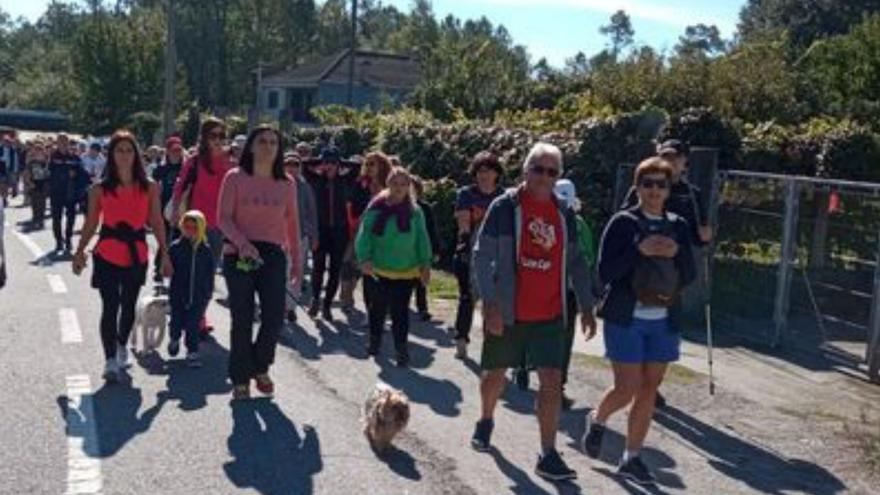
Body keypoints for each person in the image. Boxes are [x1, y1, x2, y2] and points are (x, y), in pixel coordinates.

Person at [469, 143, 596, 482]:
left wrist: (586, 304)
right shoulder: (505, 207)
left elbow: (577, 263)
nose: (544, 177)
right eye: (538, 169)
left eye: (552, 171)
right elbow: (482, 256)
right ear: (525, 171)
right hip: (510, 311)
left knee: (552, 381)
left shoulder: (564, 213)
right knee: (494, 374)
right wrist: (490, 303)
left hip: (550, 314)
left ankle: (548, 452)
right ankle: (485, 418)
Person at [582, 157, 696, 485]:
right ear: (638, 187)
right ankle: (598, 418)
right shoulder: (622, 223)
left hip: (664, 319)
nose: (655, 191)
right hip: (626, 317)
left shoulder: (679, 226)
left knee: (650, 388)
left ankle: (631, 457)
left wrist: (676, 253)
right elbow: (605, 273)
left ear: (669, 189)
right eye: (648, 184)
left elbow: (689, 275)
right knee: (627, 387)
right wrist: (639, 251)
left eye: (662, 184)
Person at [72, 130, 173, 383]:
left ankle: (121, 346)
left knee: (128, 304)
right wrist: (79, 250)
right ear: (111, 155)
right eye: (119, 150)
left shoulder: (149, 187)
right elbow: (91, 223)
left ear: (136, 155)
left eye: (129, 150)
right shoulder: (99, 189)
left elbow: (158, 221)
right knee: (110, 305)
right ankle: (109, 360)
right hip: (107, 252)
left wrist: (166, 254)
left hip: (136, 253)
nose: (125, 155)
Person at [620, 139, 711, 409]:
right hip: (642, 269)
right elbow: (625, 218)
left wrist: (704, 237)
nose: (670, 162)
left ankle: (651, 385)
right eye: (664, 156)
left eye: (675, 157)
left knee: (664, 330)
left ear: (684, 162)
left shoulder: (692, 193)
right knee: (640, 325)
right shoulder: (643, 187)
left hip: (672, 273)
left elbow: (698, 233)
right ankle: (641, 384)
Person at [218, 125, 301, 401]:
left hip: (273, 255)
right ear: (251, 146)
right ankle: (240, 378)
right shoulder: (235, 177)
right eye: (262, 141)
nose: (268, 146)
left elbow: (292, 224)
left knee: (274, 316)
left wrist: (297, 263)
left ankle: (260, 366)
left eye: (273, 142)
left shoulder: (287, 183)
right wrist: (243, 244)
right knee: (241, 318)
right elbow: (223, 218)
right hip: (238, 253)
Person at [355, 167, 432, 367]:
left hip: (406, 271)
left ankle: (401, 349)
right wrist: (364, 258)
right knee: (377, 309)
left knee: (400, 312)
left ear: (409, 187)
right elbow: (364, 235)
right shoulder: (376, 207)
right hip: (378, 269)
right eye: (395, 184)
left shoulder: (415, 211)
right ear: (388, 184)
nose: (399, 188)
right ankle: (374, 341)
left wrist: (425, 264)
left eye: (403, 184)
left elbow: (422, 239)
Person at [172, 118, 233, 333]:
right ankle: (188, 312)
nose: (217, 141)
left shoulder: (231, 161)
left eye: (221, 136)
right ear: (204, 137)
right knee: (190, 272)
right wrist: (175, 212)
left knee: (208, 273)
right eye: (212, 136)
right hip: (196, 223)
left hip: (220, 225)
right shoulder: (195, 161)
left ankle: (200, 315)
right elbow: (181, 186)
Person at [452, 151, 504, 359]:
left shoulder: (503, 196)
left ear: (496, 173)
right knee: (467, 297)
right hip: (470, 248)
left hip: (497, 252)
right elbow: (463, 221)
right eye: (480, 171)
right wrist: (466, 243)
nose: (484, 175)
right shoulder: (467, 194)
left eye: (488, 171)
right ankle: (461, 338)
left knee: (492, 299)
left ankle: (489, 342)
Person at [302, 147, 360, 321]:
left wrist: (341, 161)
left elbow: (357, 166)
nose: (330, 166)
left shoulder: (346, 180)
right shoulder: (315, 179)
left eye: (333, 163)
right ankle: (315, 300)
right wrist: (321, 162)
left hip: (339, 232)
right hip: (320, 230)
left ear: (339, 164)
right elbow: (304, 164)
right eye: (327, 162)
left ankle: (327, 305)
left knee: (335, 270)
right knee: (318, 267)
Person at [341, 151, 392, 313]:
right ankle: (346, 297)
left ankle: (376, 307)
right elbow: (350, 204)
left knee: (373, 271)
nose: (368, 167)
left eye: (372, 164)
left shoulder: (390, 185)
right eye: (366, 164)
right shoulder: (360, 183)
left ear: (381, 166)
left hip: (382, 233)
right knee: (349, 263)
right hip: (357, 229)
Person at [167, 210, 215, 367]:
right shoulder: (176, 247)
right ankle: (174, 338)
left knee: (193, 324)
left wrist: (208, 291)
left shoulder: (206, 250)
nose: (190, 231)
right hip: (178, 293)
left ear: (201, 228)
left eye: (194, 228)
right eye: (187, 227)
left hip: (199, 295)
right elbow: (166, 267)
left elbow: (210, 272)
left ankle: (192, 351)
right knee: (176, 321)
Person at [283, 152, 318, 323]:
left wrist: (314, 236)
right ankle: (278, 305)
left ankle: (291, 307)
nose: (291, 167)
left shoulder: (306, 187)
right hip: (279, 235)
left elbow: (312, 213)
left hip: (300, 235)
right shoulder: (277, 184)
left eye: (295, 164)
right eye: (288, 164)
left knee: (296, 272)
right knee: (280, 271)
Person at [152, 136, 186, 284]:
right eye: (173, 150)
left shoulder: (186, 168)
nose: (176, 153)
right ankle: (159, 268)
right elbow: (153, 189)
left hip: (181, 209)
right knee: (164, 240)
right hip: (163, 208)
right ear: (168, 151)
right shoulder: (161, 169)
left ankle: (175, 268)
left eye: (179, 150)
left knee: (179, 240)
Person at [49, 134, 88, 253]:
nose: (63, 144)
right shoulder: (52, 157)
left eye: (65, 142)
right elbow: (47, 172)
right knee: (57, 218)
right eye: (60, 141)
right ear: (57, 143)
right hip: (56, 192)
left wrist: (76, 176)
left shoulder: (75, 158)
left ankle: (68, 239)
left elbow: (83, 175)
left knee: (71, 217)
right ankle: (58, 241)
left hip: (70, 192)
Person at [412, 176, 440, 321]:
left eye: (414, 189)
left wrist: (435, 249)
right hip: (405, 250)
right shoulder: (397, 206)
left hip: (422, 248)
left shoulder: (425, 208)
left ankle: (422, 308)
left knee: (421, 280)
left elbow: (432, 229)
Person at [22, 141, 51, 229]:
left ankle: (41, 219)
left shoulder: (47, 162)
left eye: (40, 150)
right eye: (37, 150)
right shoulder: (31, 162)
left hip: (44, 183)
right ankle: (35, 217)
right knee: (34, 202)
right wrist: (29, 183)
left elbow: (50, 173)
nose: (39, 152)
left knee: (42, 202)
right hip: (34, 183)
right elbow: (26, 173)